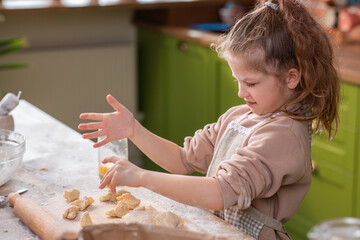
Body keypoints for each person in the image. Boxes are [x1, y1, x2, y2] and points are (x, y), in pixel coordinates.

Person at [78, 0, 340, 239]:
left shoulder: (284, 135)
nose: (240, 92)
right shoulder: (239, 117)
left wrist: (142, 177)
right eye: (238, 80)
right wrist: (134, 130)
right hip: (218, 232)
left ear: (291, 77)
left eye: (250, 82)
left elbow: (219, 193)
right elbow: (182, 160)